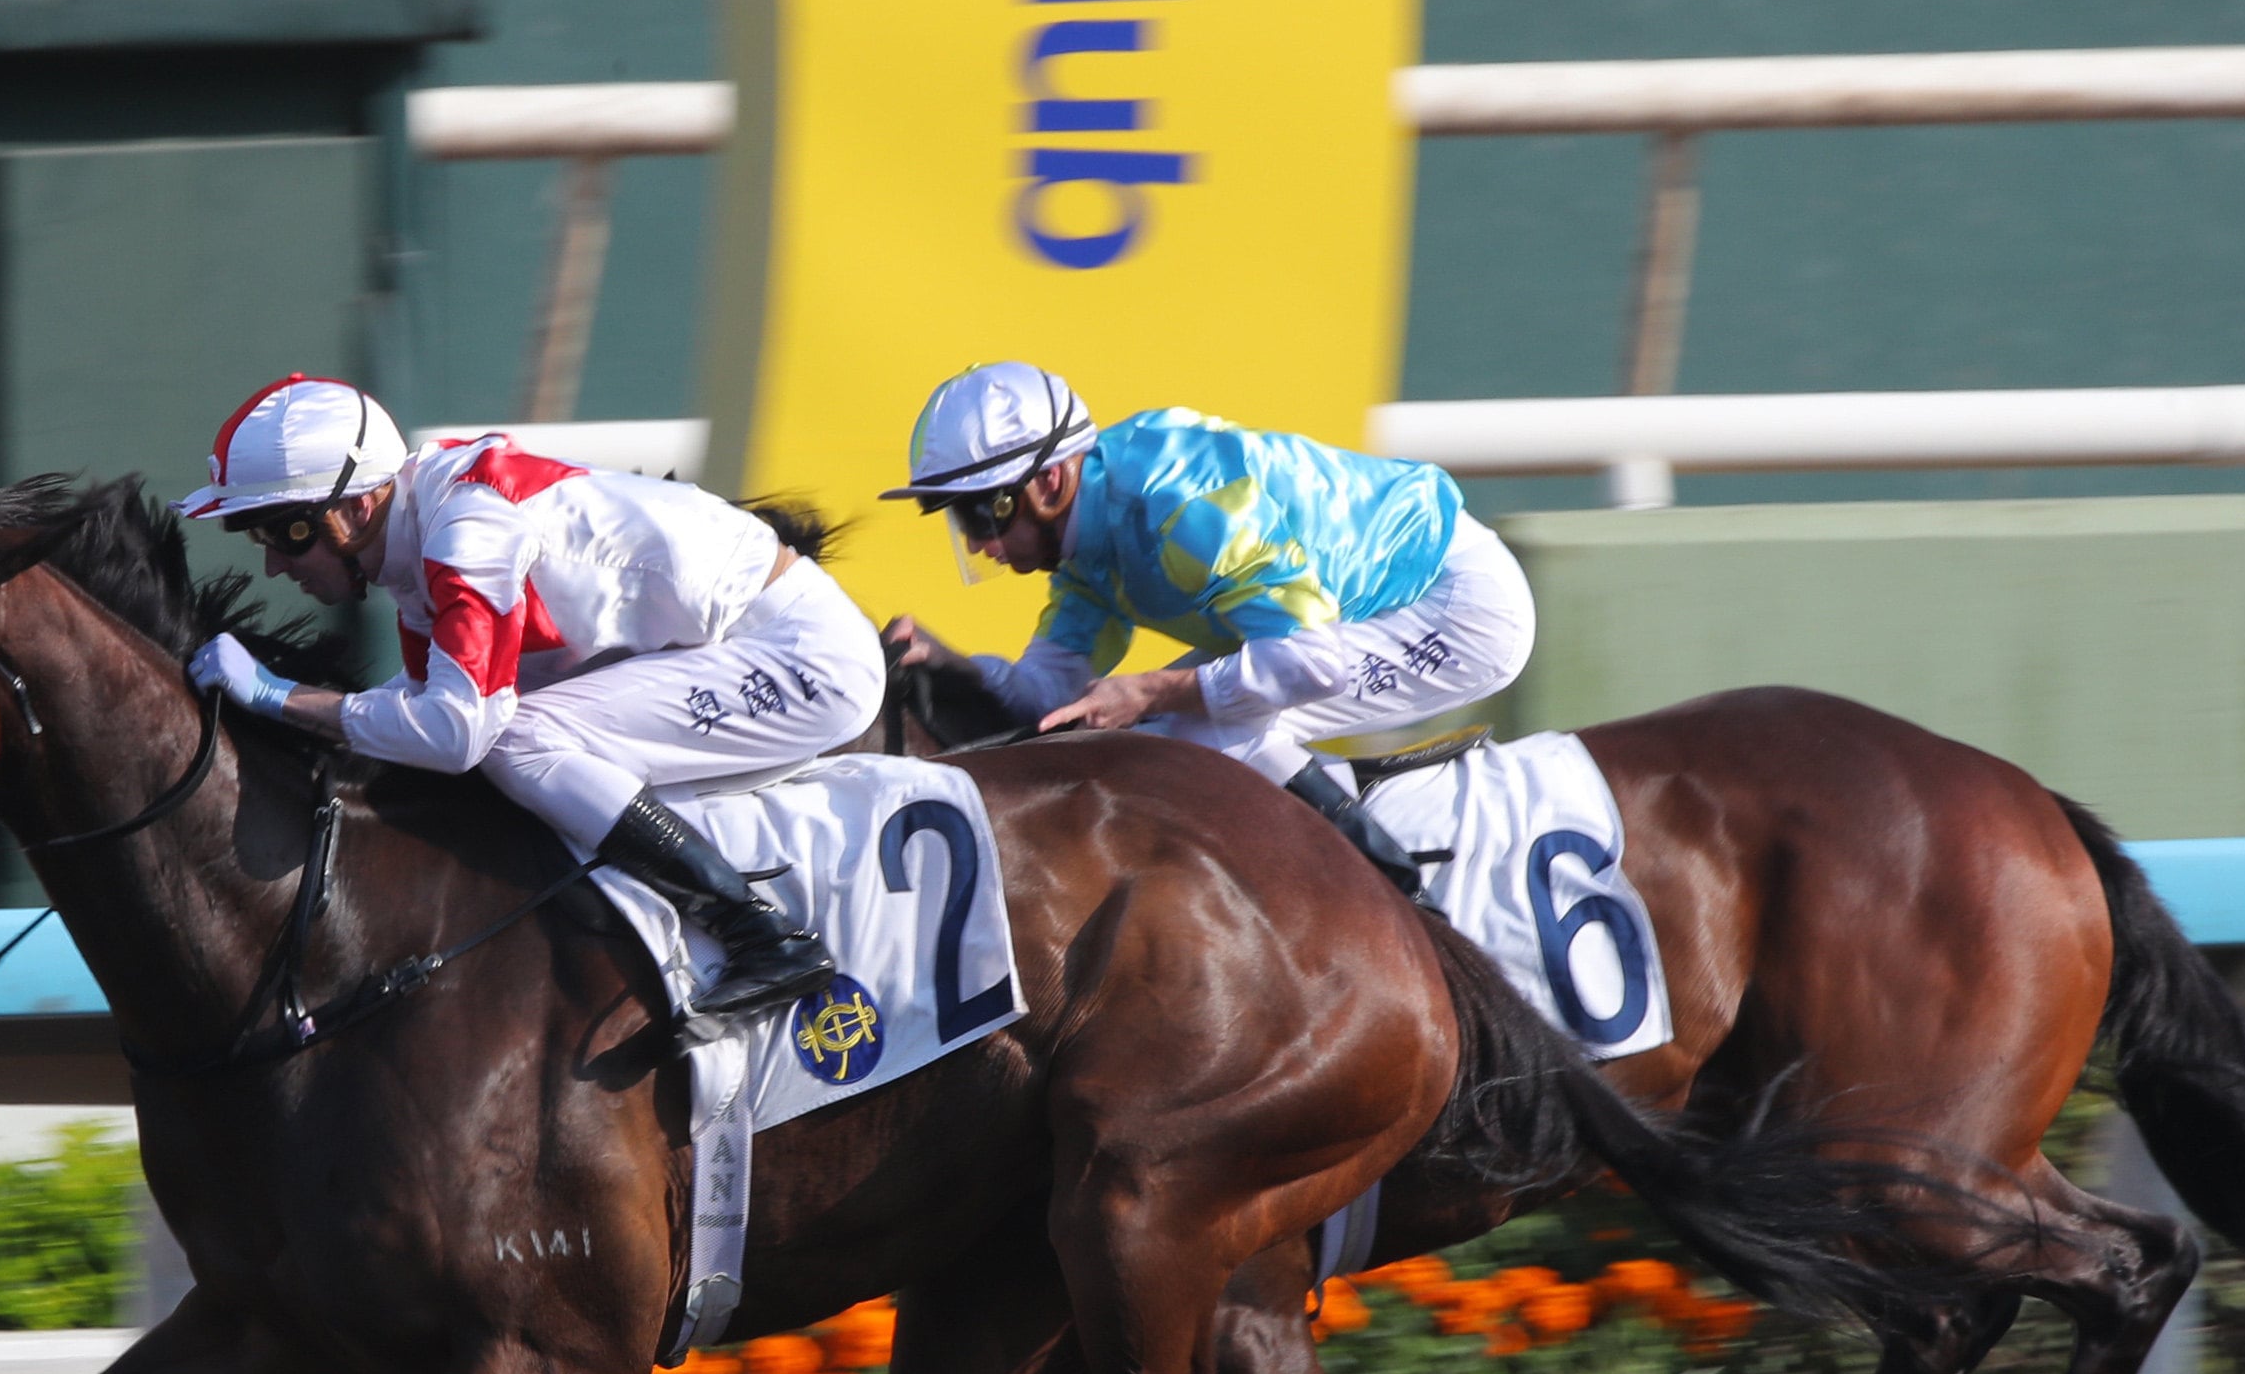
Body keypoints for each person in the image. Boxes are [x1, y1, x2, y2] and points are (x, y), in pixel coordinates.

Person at [178, 374, 883, 1018]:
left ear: (359, 506)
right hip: (737, 643)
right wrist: (299, 709)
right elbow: (420, 704)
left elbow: (456, 733)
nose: (272, 564)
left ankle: (759, 934)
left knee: (517, 739)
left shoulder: (466, 533)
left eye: (284, 532)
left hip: (801, 659)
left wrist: (276, 696)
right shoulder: (419, 532)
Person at [878, 362, 1535, 885]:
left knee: (1194, 729)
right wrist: (953, 664)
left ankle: (1402, 898)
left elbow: (1310, 665)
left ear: (1049, 484)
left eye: (981, 515)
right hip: (1343, 620)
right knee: (1154, 735)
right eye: (960, 521)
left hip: (1454, 604)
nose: (979, 544)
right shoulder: (1082, 546)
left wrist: (1149, 690)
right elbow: (1049, 698)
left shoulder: (1183, 506)